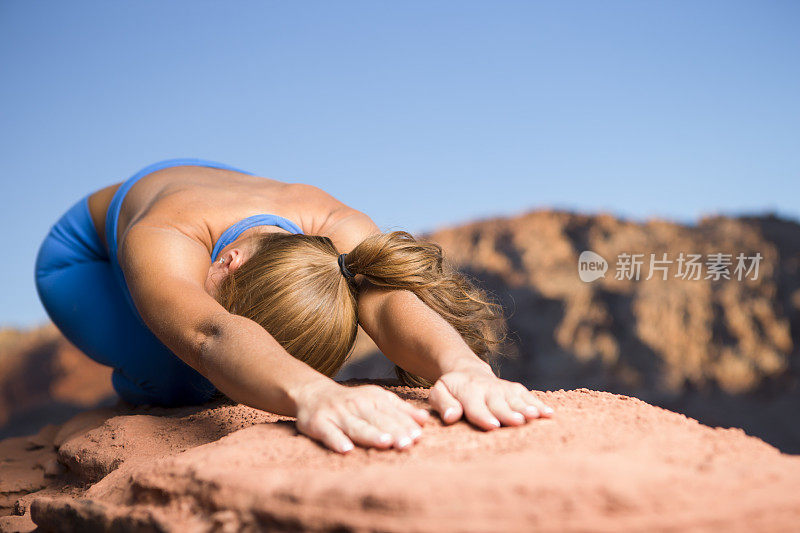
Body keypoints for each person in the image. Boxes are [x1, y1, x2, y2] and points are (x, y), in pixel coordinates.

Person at [34, 158, 553, 453]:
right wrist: (311, 393)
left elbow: (388, 300)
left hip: (215, 194)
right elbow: (209, 333)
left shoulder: (336, 227)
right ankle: (136, 388)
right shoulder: (165, 235)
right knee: (185, 377)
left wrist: (462, 366)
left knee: (248, 374)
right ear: (229, 262)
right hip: (81, 259)